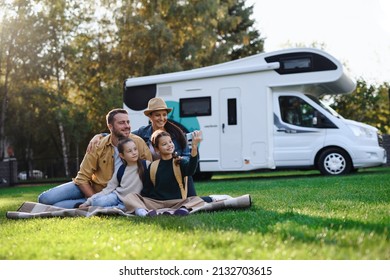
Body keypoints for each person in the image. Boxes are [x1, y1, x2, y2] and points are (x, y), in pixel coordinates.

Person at [88, 98, 231, 202]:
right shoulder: (142, 133)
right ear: (150, 116)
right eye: (157, 115)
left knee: (191, 201)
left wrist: (179, 161)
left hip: (174, 172)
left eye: (164, 114)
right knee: (160, 201)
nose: (162, 118)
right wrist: (100, 135)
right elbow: (122, 135)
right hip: (154, 174)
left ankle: (213, 199)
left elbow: (187, 157)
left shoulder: (176, 134)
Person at [37, 108, 152, 208]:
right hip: (93, 188)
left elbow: (149, 171)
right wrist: (94, 199)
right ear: (110, 126)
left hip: (115, 194)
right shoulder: (98, 145)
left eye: (128, 122)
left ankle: (83, 204)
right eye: (122, 123)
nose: (127, 126)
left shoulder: (138, 142)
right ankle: (86, 202)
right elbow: (82, 178)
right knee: (44, 199)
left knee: (57, 206)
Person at [122, 129, 207, 216]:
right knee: (130, 197)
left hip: (177, 203)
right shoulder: (153, 166)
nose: (169, 145)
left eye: (170, 142)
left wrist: (194, 147)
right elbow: (147, 190)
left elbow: (191, 170)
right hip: (156, 203)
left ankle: (183, 210)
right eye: (164, 144)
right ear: (157, 149)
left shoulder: (180, 162)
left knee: (196, 200)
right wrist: (142, 201)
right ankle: (144, 213)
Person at [78, 138, 151, 210]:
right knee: (98, 202)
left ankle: (113, 208)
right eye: (129, 151)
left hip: (132, 200)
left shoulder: (146, 165)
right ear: (122, 156)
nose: (134, 153)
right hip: (117, 196)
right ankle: (90, 205)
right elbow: (108, 189)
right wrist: (88, 201)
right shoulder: (121, 170)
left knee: (127, 207)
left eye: (135, 149)